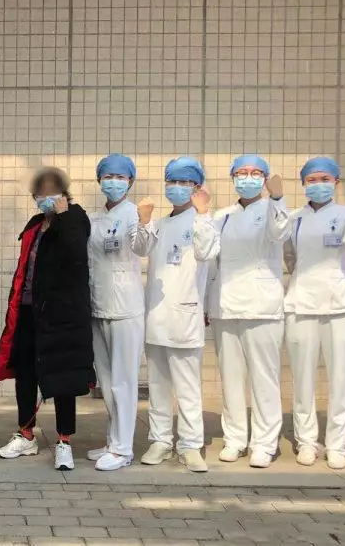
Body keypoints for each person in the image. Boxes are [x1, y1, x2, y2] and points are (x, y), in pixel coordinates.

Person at [0, 167, 95, 471]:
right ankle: (26, 434)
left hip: (61, 316)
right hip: (28, 311)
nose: (44, 198)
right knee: (25, 374)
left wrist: (63, 216)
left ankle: (64, 441)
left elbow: (76, 253)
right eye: (39, 193)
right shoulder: (36, 224)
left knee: (62, 378)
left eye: (50, 192)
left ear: (64, 193)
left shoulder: (75, 219)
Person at [132, 156, 219, 473]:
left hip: (186, 316)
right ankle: (160, 441)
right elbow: (140, 249)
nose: (177, 188)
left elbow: (206, 251)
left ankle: (191, 445)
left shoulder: (204, 221)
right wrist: (143, 221)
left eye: (185, 182)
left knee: (188, 387)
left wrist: (204, 213)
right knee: (157, 386)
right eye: (173, 182)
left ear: (197, 187)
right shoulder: (160, 224)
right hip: (156, 316)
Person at [284, 156, 345, 470]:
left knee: (341, 378)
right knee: (302, 378)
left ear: (335, 182)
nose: (318, 184)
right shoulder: (294, 218)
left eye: (324, 179)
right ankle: (306, 441)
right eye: (311, 180)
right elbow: (289, 257)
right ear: (303, 184)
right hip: (301, 303)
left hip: (341, 305)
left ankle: (337, 445)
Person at [206, 155, 291, 469]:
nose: (248, 178)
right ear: (232, 178)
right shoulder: (222, 216)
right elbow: (211, 262)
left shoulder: (274, 209)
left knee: (263, 378)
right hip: (226, 305)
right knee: (230, 378)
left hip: (262, 307)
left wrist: (278, 198)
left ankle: (265, 443)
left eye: (255, 173)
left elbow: (280, 233)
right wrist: (207, 303)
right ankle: (235, 439)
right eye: (241, 173)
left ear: (265, 178)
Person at [86, 154, 145, 472]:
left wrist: (146, 223)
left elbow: (143, 247)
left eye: (120, 177)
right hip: (98, 306)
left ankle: (123, 449)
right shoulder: (95, 218)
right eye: (108, 176)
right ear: (99, 180)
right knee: (107, 382)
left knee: (123, 381)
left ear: (130, 181)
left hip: (125, 309)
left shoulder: (135, 214)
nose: (114, 182)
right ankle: (112, 441)